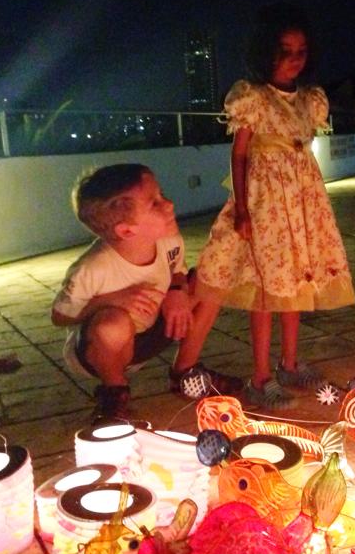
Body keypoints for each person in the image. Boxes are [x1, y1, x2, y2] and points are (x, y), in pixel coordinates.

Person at [177, 4, 355, 409]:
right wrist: (242, 209)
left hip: (302, 205)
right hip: (266, 205)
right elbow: (240, 154)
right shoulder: (253, 98)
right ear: (265, 52)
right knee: (265, 289)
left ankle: (289, 363)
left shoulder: (309, 100)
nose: (294, 59)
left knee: (295, 284)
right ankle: (260, 376)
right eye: (284, 51)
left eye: (301, 51)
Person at [52, 164, 243, 423]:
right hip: (104, 351)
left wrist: (177, 289)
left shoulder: (169, 241)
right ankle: (114, 392)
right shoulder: (93, 268)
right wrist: (109, 300)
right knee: (111, 324)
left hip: (154, 328)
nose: (169, 204)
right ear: (126, 230)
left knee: (210, 278)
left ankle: (184, 372)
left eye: (161, 194)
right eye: (155, 203)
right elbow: (60, 316)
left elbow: (178, 271)